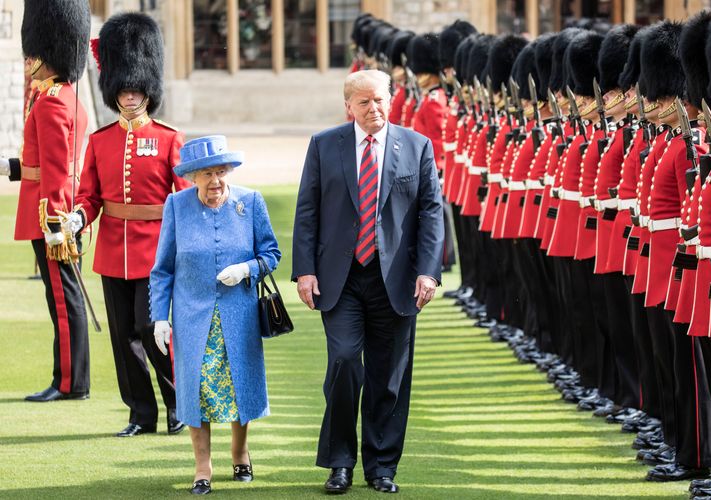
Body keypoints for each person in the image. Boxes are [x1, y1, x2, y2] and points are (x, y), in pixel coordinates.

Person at [292, 69, 444, 494]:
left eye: (379, 100)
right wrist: (304, 270)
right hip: (340, 279)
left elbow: (431, 214)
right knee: (343, 362)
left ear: (390, 99)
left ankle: (381, 468)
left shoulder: (417, 146)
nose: (373, 109)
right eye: (364, 103)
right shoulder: (325, 145)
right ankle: (339, 461)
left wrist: (429, 271)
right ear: (349, 107)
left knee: (388, 376)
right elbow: (308, 210)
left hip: (394, 280)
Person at [61, 12, 191, 437]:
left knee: (152, 330)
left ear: (147, 91)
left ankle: (178, 405)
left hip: (156, 252)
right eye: (123, 89)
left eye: (136, 89)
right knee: (123, 339)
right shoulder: (100, 141)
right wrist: (78, 217)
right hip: (113, 251)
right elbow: (90, 196)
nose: (130, 95)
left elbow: (184, 195)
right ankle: (140, 413)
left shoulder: (170, 138)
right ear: (114, 91)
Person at [149, 135, 281, 495]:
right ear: (193, 177)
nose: (216, 181)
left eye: (221, 172)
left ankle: (240, 453)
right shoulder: (176, 206)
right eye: (207, 174)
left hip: (238, 316)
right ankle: (202, 465)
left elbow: (272, 253)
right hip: (193, 318)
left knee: (241, 386)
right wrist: (161, 317)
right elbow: (162, 270)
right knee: (198, 390)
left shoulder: (250, 202)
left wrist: (247, 269)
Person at [0, 0, 91, 402]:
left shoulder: (52, 100)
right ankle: (70, 378)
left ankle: (70, 382)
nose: (28, 60)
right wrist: (11, 167)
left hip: (50, 213)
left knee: (61, 297)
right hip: (55, 207)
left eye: (33, 53)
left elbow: (56, 169)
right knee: (63, 295)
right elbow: (46, 161)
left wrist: (55, 223)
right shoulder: (66, 96)